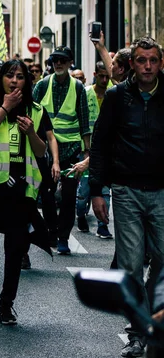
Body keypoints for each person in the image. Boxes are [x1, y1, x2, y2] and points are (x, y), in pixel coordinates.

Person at [90, 35, 164, 358]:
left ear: (161, 64)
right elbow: (100, 144)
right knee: (131, 264)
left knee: (162, 262)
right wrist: (97, 190)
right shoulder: (118, 97)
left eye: (153, 60)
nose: (147, 66)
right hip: (127, 191)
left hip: (162, 191)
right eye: (141, 60)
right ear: (131, 64)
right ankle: (138, 331)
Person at [0, 59, 51, 325]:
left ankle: (6, 304)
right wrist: (6, 108)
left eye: (20, 77)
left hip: (21, 190)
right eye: (9, 76)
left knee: (15, 248)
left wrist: (31, 134)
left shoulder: (37, 110)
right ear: (1, 79)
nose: (14, 81)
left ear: (27, 82)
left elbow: (41, 152)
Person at [33, 46, 91, 255]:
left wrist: (87, 152)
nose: (58, 64)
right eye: (55, 60)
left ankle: (63, 237)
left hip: (71, 151)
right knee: (47, 196)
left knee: (68, 197)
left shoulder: (78, 88)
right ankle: (52, 229)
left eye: (62, 60)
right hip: (45, 151)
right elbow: (30, 114)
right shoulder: (41, 86)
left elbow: (84, 121)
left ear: (69, 63)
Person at [73, 61, 112, 237]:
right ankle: (81, 214)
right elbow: (82, 121)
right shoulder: (86, 93)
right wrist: (86, 149)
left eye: (107, 76)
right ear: (95, 74)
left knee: (104, 189)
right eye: (101, 76)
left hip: (107, 151)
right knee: (84, 189)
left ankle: (102, 224)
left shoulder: (114, 93)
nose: (105, 80)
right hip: (86, 150)